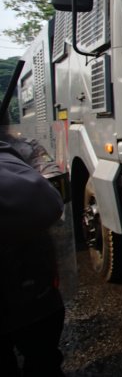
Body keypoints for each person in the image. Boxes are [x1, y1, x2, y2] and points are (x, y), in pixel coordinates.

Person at [1, 138, 66, 376]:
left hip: (35, 291)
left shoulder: (22, 148)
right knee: (44, 360)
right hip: (39, 293)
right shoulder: (21, 149)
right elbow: (54, 195)